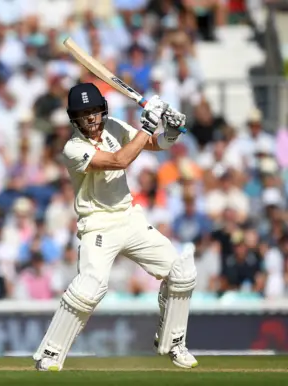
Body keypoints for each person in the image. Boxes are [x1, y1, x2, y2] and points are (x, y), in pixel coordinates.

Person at [33, 83, 198, 371]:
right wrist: (147, 124)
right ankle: (50, 354)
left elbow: (151, 144)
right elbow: (118, 160)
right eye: (84, 115)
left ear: (103, 112)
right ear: (74, 118)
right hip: (97, 224)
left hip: (128, 216)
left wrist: (170, 131)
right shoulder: (73, 148)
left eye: (95, 112)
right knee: (89, 288)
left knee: (181, 271)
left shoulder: (113, 126)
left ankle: (174, 343)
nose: (91, 120)